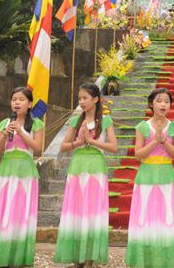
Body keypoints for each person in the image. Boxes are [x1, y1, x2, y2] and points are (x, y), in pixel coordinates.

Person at [54, 83, 118, 267]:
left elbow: (113, 147)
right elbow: (63, 146)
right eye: (79, 98)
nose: (81, 102)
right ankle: (77, 257)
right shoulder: (76, 120)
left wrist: (92, 141)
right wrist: (79, 142)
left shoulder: (105, 120)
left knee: (92, 211)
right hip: (78, 167)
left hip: (96, 167)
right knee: (76, 210)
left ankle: (89, 258)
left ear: (96, 99)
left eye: (85, 98)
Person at [0, 87, 44, 267]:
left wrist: (21, 132)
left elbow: (37, 148)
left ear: (29, 104)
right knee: (3, 209)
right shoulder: (5, 123)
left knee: (20, 211)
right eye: (14, 99)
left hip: (25, 171)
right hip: (6, 170)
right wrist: (5, 134)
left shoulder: (36, 123)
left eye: (21, 99)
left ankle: (17, 255)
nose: (17, 102)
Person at [125, 88, 174, 268]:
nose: (163, 104)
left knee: (167, 216)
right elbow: (138, 154)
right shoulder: (142, 127)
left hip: (166, 174)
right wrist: (155, 140)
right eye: (159, 101)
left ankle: (166, 260)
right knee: (145, 215)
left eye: (167, 101)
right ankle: (144, 259)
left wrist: (164, 140)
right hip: (146, 174)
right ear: (151, 104)